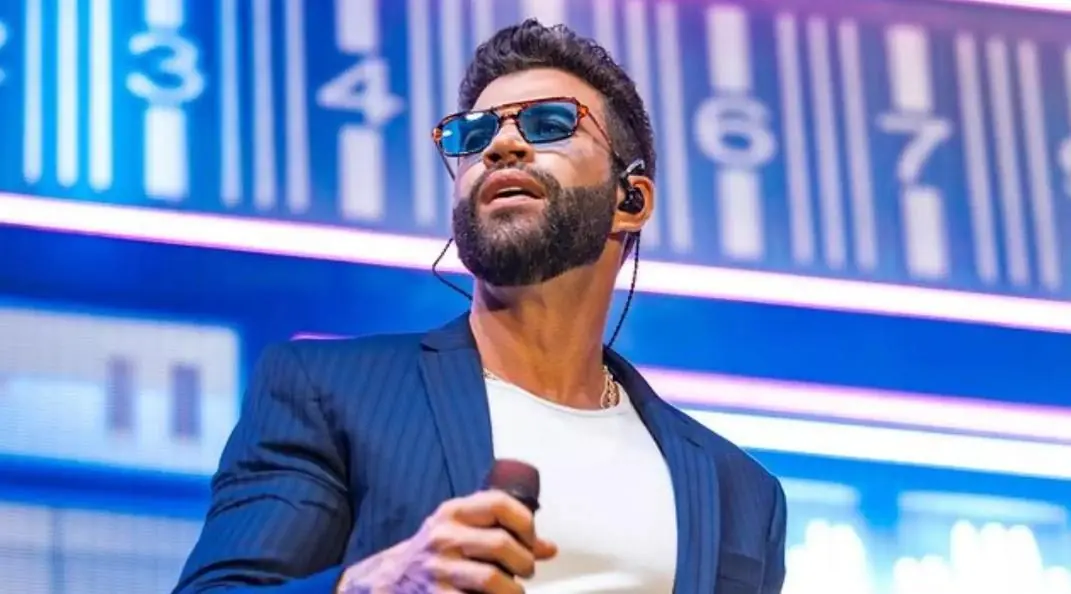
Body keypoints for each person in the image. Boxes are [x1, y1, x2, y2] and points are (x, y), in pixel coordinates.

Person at [173, 19, 786, 594]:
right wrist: (375, 583)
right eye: (474, 136)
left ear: (630, 201)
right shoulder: (329, 393)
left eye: (550, 123)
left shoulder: (740, 493)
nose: (502, 145)